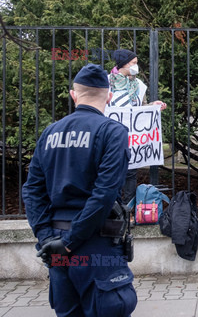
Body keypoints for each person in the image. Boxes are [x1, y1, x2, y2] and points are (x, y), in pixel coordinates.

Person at [22, 64, 137, 316]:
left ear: (74, 95)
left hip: (55, 245)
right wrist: (70, 242)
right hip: (93, 243)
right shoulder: (112, 132)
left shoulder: (49, 132)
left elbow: (32, 191)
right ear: (109, 96)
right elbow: (104, 194)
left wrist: (47, 239)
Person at [108, 49, 167, 205]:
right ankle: (112, 208)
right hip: (111, 136)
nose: (136, 66)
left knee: (131, 173)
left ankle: (127, 209)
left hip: (131, 137)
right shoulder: (106, 82)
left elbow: (140, 106)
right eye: (133, 63)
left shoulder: (138, 85)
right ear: (123, 64)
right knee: (111, 172)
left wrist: (152, 106)